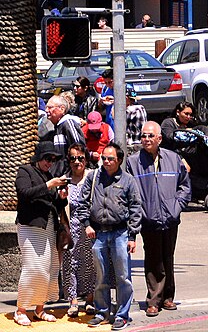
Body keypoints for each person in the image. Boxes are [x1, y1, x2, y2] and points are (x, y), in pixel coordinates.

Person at [73, 141, 140, 330]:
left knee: (123, 277)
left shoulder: (128, 180)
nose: (106, 161)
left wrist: (132, 236)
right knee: (101, 276)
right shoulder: (93, 177)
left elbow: (135, 208)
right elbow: (82, 202)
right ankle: (101, 312)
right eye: (104, 158)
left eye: (110, 158)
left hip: (120, 233)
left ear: (119, 160)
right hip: (99, 233)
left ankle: (122, 315)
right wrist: (87, 224)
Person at [129, 122, 189, 317]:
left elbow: (184, 186)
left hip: (170, 218)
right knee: (153, 259)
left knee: (168, 257)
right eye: (143, 136)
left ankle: (168, 297)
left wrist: (176, 207)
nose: (146, 139)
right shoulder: (133, 162)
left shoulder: (173, 158)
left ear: (159, 139)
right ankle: (153, 300)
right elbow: (131, 191)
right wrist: (141, 212)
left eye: (150, 136)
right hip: (149, 219)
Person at [13, 143, 67, 326]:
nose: (49, 163)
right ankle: (21, 310)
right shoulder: (25, 171)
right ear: (38, 157)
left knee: (49, 268)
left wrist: (61, 198)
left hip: (48, 227)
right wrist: (48, 185)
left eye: (53, 160)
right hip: (30, 226)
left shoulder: (49, 176)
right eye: (47, 158)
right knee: (33, 267)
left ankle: (39, 308)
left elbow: (54, 204)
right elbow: (24, 193)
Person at [63, 142, 97, 318]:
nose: (77, 162)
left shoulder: (93, 177)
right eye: (73, 158)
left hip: (89, 228)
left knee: (90, 265)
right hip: (70, 229)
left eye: (80, 158)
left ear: (86, 159)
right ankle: (73, 301)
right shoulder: (64, 180)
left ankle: (90, 299)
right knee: (70, 264)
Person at [39, 96, 86, 168]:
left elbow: (79, 148)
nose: (46, 110)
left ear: (62, 109)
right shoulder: (56, 128)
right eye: (46, 107)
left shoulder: (68, 123)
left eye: (50, 107)